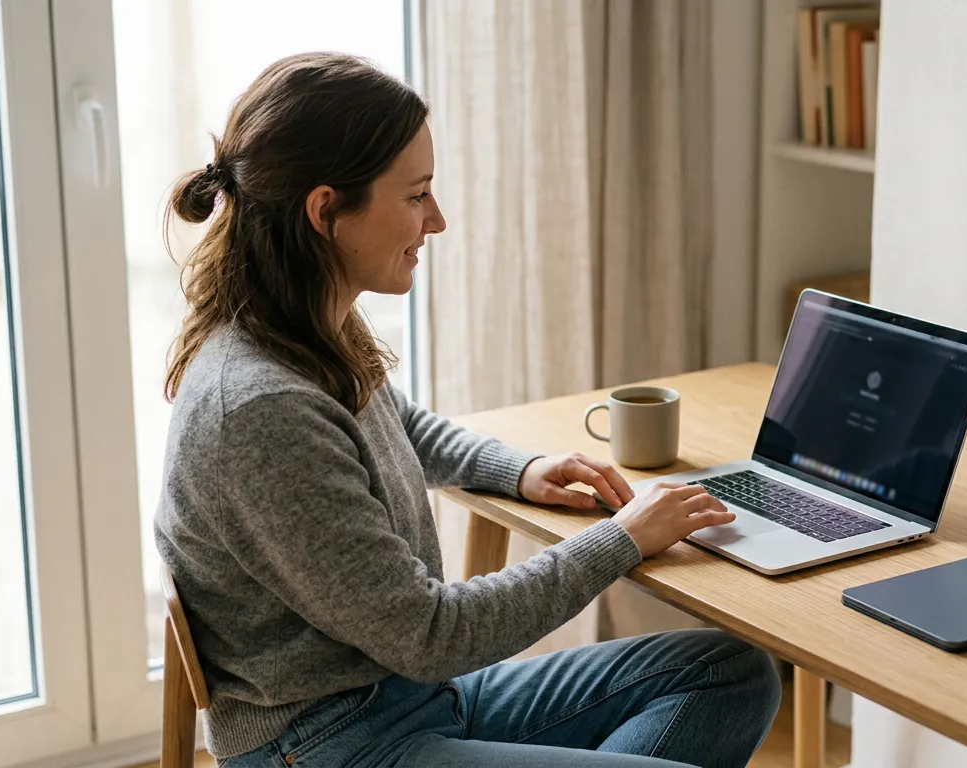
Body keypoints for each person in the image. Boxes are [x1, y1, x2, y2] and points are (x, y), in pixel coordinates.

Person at [153, 52, 781, 768]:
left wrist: (520, 470)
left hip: (411, 696)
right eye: (416, 195)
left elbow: (397, 424)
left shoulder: (304, 320)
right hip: (331, 741)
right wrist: (625, 539)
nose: (438, 220)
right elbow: (431, 635)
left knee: (729, 672)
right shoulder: (260, 410)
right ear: (327, 211)